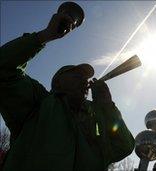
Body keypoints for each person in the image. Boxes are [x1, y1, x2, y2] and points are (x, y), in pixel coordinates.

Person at [0, 11, 135, 171]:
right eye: (76, 74)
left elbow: (124, 146)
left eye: (85, 78)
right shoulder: (39, 102)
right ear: (57, 81)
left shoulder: (96, 117)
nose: (84, 80)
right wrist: (44, 36)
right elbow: (3, 67)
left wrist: (107, 107)